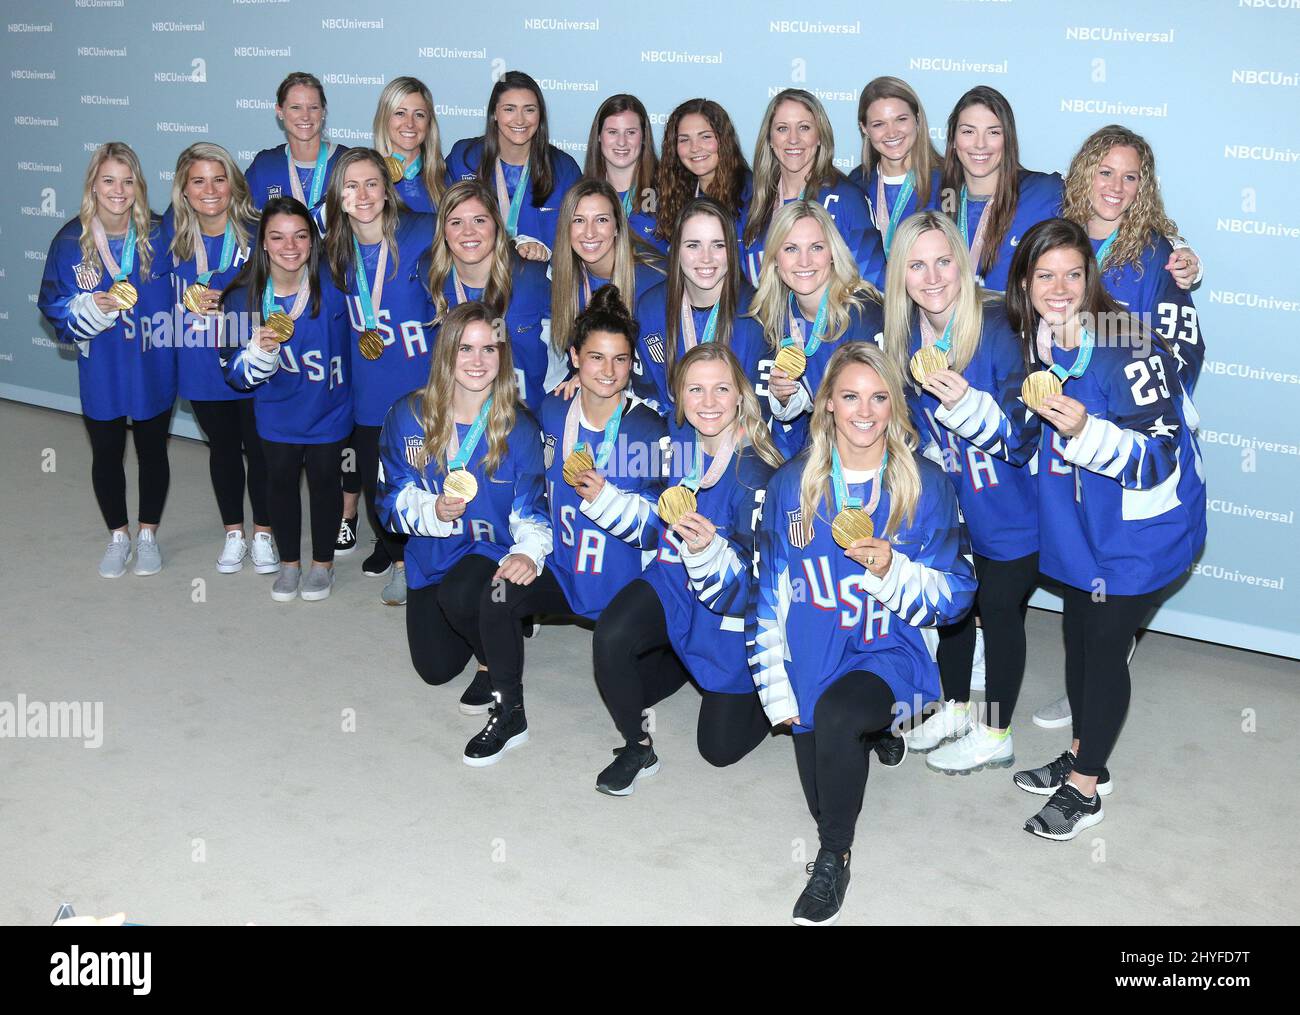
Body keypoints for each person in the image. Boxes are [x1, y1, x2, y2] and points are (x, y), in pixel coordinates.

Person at [750, 341, 975, 925]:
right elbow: (768, 596)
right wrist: (776, 686)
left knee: (839, 726)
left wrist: (892, 571)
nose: (865, 411)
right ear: (826, 403)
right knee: (822, 792)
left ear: (896, 407)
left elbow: (957, 596)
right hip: (813, 652)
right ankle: (869, 740)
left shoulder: (925, 484)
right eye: (850, 396)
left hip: (888, 649)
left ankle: (833, 857)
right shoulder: (789, 486)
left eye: (879, 398)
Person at [1005, 218, 1205, 839]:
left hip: (1141, 531)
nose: (1060, 288)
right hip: (1079, 523)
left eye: (1073, 273)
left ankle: (1087, 786)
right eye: (1045, 275)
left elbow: (1160, 455)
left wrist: (1084, 431)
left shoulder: (1127, 337)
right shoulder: (1033, 340)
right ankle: (1083, 750)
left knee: (1106, 647)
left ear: (1090, 276)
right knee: (1080, 635)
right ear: (1025, 283)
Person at [1032, 126, 1210, 729]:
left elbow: (1185, 345)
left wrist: (1137, 383)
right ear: (1083, 173)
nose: (1117, 186)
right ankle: (1090, 679)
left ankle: (1102, 679)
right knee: (1082, 570)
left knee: (1121, 566)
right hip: (1065, 435)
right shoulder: (1059, 236)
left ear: (1145, 185)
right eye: (1105, 172)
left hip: (1125, 438)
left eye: (1131, 176)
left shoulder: (1157, 252)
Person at [463, 286, 667, 765]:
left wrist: (605, 500)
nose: (608, 371)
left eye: (620, 359)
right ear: (574, 357)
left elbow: (659, 530)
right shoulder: (552, 411)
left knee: (638, 676)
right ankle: (509, 710)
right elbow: (531, 490)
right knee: (495, 595)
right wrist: (526, 551)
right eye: (595, 357)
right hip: (565, 569)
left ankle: (645, 729)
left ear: (633, 364)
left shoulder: (649, 430)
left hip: (626, 583)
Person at [881, 212, 1039, 772]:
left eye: (943, 261)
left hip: (1011, 504)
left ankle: (997, 732)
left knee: (998, 612)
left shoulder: (999, 323)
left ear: (963, 262)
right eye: (917, 264)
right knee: (954, 608)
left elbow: (1023, 437)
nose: (932, 277)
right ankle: (953, 706)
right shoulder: (901, 338)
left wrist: (967, 404)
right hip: (952, 505)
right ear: (900, 274)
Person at [590, 343, 783, 794]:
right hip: (674, 580)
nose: (709, 402)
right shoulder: (673, 443)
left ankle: (768, 690)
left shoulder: (758, 472)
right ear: (679, 397)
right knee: (611, 636)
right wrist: (603, 497)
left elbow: (749, 591)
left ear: (741, 395)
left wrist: (707, 551)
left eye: (721, 389)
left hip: (734, 611)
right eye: (695, 389)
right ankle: (637, 746)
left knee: (717, 750)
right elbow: (652, 526)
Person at [375, 301, 551, 713]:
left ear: (502, 357)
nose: (477, 360)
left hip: (487, 553)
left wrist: (527, 551)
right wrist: (431, 509)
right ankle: (498, 621)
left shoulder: (520, 429)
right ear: (445, 353)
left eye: (489, 349)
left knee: (460, 595)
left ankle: (492, 659)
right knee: (434, 669)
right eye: (465, 348)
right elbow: (388, 504)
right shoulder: (406, 415)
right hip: (433, 553)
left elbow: (533, 512)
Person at [39, 142, 176, 578]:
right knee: (106, 451)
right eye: (109, 180)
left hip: (153, 360)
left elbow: (191, 289)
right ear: (93, 186)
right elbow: (52, 305)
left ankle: (148, 533)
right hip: (103, 365)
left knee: (153, 450)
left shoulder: (162, 233)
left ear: (139, 185)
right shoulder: (69, 241)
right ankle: (118, 536)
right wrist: (88, 309)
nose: (119, 190)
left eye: (128, 180)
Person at [221, 197, 351, 602]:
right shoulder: (242, 297)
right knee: (279, 483)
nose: (289, 246)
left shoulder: (337, 286)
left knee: (326, 483)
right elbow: (232, 374)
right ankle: (290, 564)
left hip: (329, 408)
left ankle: (323, 565)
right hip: (277, 412)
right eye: (277, 237)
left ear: (314, 241)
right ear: (262, 242)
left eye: (300, 236)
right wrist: (254, 357)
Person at [324, 148, 437, 605]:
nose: (363, 194)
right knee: (378, 486)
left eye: (372, 183)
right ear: (338, 195)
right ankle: (399, 563)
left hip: (425, 388)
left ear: (388, 190)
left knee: (432, 481)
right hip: (369, 392)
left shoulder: (424, 231)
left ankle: (437, 562)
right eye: (351, 185)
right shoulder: (332, 251)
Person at [166, 142, 278, 576]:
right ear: (184, 189)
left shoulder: (260, 232)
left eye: (219, 178)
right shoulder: (168, 237)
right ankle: (234, 532)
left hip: (252, 359)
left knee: (261, 450)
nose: (210, 189)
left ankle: (264, 533)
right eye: (199, 181)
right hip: (199, 360)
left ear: (234, 184)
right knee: (224, 450)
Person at [751, 200, 886, 458]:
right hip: (823, 442)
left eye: (816, 247)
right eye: (791, 248)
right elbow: (810, 398)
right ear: (775, 260)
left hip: (870, 445)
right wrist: (784, 396)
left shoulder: (862, 312)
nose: (804, 261)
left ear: (832, 253)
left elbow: (878, 407)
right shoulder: (776, 312)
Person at [423, 180, 551, 411]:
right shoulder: (430, 278)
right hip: (456, 421)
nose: (468, 231)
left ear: (497, 226)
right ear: (443, 231)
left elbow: (576, 337)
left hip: (524, 417)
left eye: (479, 220)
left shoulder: (532, 277)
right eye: (456, 222)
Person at [632, 197, 766, 412]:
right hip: (674, 438)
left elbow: (760, 412)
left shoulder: (756, 314)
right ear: (676, 250)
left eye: (718, 245)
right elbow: (647, 397)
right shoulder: (649, 308)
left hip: (741, 438)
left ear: (731, 249)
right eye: (693, 245)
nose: (706, 258)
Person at [741, 88, 881, 288]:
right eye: (782, 128)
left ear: (820, 136)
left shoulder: (846, 199)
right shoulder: (753, 206)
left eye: (804, 127)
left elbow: (874, 284)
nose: (793, 139)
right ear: (770, 139)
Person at [445, 70, 582, 263]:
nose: (519, 120)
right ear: (494, 113)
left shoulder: (564, 169)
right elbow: (444, 225)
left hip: (542, 287)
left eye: (529, 109)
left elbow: (579, 240)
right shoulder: (464, 157)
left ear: (540, 115)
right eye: (509, 109)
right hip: (475, 283)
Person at [548, 178, 664, 392]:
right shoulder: (564, 279)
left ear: (618, 227)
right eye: (578, 220)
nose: (589, 232)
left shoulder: (654, 282)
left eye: (601, 220)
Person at [849, 77, 944, 262]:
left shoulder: (947, 179)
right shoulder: (856, 183)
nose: (892, 133)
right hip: (873, 289)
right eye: (879, 124)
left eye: (900, 119)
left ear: (917, 119)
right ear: (864, 129)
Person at [244, 71, 348, 234]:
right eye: (296, 108)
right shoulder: (265, 165)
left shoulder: (347, 162)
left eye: (313, 107)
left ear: (323, 112)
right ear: (280, 111)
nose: (305, 116)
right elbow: (246, 226)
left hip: (337, 259)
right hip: (283, 258)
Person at [654, 98, 751, 246]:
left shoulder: (752, 194)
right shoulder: (675, 197)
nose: (694, 148)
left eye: (705, 137)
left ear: (724, 141)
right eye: (684, 140)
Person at [584, 94, 663, 252]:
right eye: (612, 132)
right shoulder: (582, 195)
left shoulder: (666, 191)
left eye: (631, 132)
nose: (621, 142)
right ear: (599, 136)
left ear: (643, 137)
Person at [370, 75, 448, 215]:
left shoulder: (446, 177)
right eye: (400, 113)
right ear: (384, 118)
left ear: (429, 123)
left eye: (419, 115)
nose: (410, 124)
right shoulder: (366, 176)